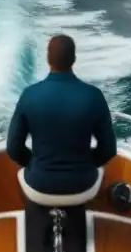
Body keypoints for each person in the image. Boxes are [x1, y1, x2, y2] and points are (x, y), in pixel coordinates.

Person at [7, 34, 117, 197]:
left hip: (39, 182)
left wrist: (34, 164)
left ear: (48, 59)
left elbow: (13, 149)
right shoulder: (94, 96)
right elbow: (108, 149)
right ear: (74, 59)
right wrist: (86, 164)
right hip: (83, 184)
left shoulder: (29, 95)